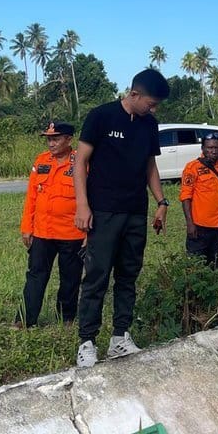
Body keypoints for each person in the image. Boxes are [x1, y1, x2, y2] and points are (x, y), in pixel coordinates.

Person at [73, 69, 171, 368]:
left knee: (128, 275)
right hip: (103, 210)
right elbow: (80, 162)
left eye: (155, 106)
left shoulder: (149, 124)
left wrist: (161, 200)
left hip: (134, 211)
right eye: (150, 104)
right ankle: (87, 341)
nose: (152, 110)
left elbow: (150, 166)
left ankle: (120, 337)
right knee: (97, 275)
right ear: (134, 94)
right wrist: (82, 205)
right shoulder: (101, 116)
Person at [17, 121, 86, 328]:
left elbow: (91, 198)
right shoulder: (41, 161)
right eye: (48, 139)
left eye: (56, 139)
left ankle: (66, 318)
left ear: (68, 139)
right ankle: (25, 320)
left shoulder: (81, 163)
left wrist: (88, 233)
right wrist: (26, 227)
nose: (51, 143)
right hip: (42, 232)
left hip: (71, 233)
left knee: (70, 279)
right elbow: (31, 197)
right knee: (35, 277)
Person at [179, 134, 218, 269]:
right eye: (210, 147)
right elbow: (186, 197)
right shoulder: (192, 167)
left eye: (217, 147)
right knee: (195, 266)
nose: (214, 151)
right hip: (199, 227)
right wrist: (190, 223)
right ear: (203, 149)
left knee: (214, 265)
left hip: (217, 227)